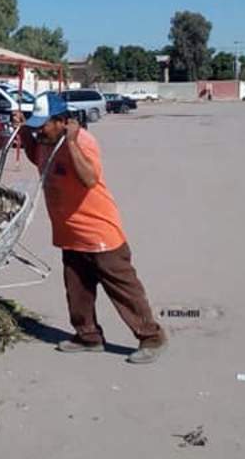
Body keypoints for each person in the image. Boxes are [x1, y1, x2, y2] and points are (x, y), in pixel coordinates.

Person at [12, 93, 167, 364]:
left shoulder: (83, 141)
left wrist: (71, 142)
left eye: (42, 125)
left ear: (61, 121)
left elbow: (89, 179)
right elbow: (38, 160)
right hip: (69, 233)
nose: (38, 132)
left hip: (99, 234)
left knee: (124, 289)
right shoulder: (45, 140)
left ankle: (152, 337)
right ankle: (88, 336)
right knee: (78, 291)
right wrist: (24, 131)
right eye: (36, 126)